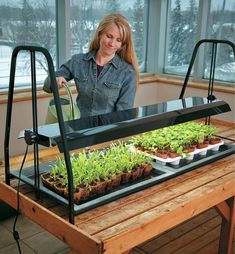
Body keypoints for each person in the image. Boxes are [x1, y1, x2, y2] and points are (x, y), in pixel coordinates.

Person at [44, 13, 139, 118]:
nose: (112, 43)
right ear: (100, 34)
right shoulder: (78, 61)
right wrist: (56, 80)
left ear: (122, 44)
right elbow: (47, 86)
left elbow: (123, 115)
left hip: (107, 131)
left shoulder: (128, 72)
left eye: (118, 40)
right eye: (109, 36)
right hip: (78, 130)